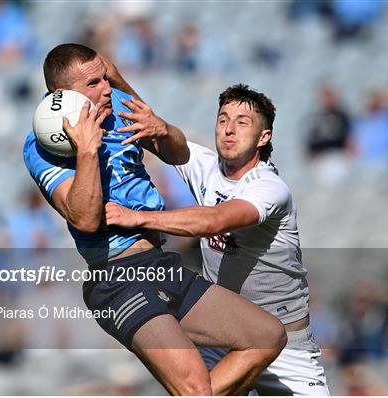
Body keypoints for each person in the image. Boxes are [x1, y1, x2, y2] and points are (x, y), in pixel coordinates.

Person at [23, 44, 286, 395]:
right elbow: (85, 220)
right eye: (93, 83)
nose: (107, 88)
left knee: (266, 337)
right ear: (62, 95)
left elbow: (178, 152)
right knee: (194, 387)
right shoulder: (44, 144)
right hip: (119, 276)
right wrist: (87, 150)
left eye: (106, 77)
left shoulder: (116, 104)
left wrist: (160, 128)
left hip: (161, 263)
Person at [105, 84, 329, 395]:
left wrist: (138, 217)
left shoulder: (269, 188)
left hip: (287, 348)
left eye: (242, 122)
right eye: (223, 119)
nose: (229, 129)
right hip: (224, 333)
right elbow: (153, 129)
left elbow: (215, 221)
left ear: (264, 137)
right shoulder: (207, 167)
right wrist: (111, 75)